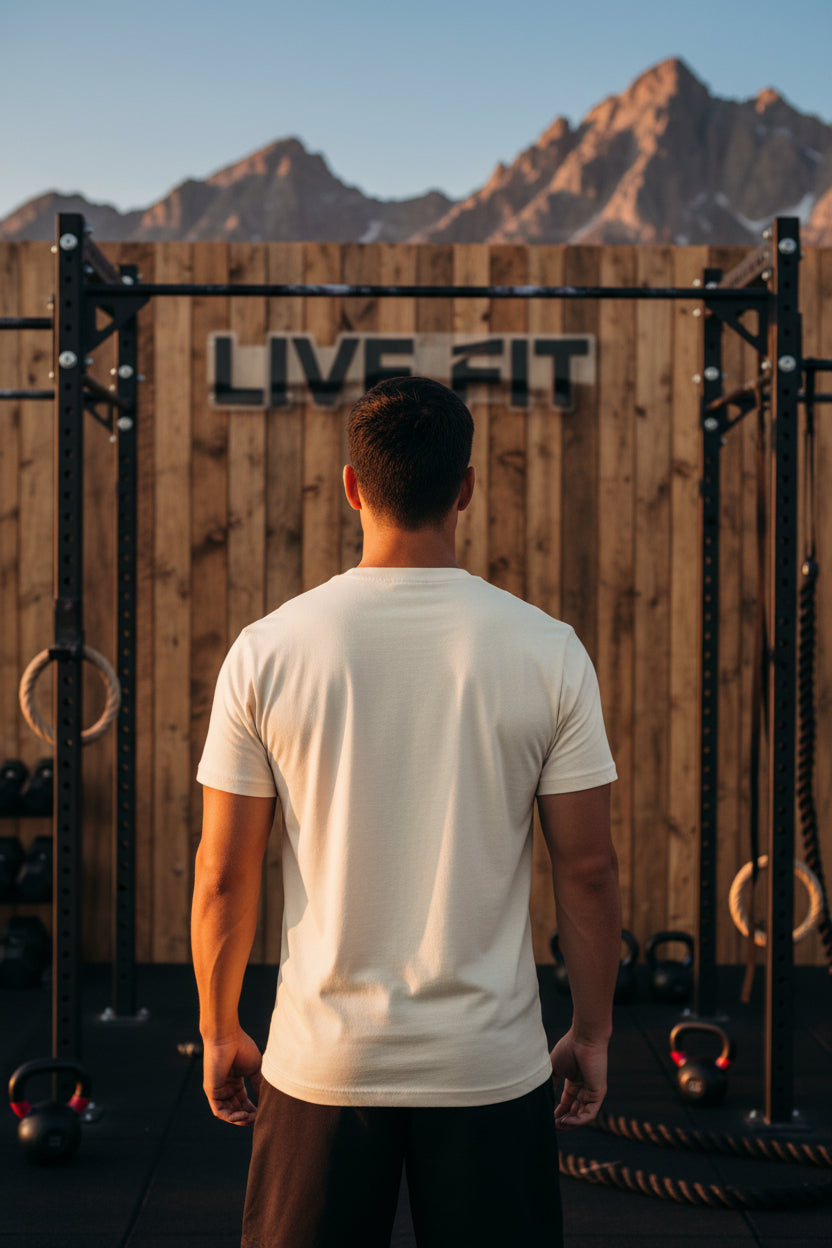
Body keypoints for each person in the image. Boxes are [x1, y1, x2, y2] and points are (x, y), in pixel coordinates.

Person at [191, 375, 621, 1248]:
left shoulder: (267, 651)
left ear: (352, 486)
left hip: (321, 1066)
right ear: (465, 487)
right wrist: (592, 1031)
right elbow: (588, 867)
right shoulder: (549, 651)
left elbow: (224, 871)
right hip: (491, 1070)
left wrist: (218, 1028)